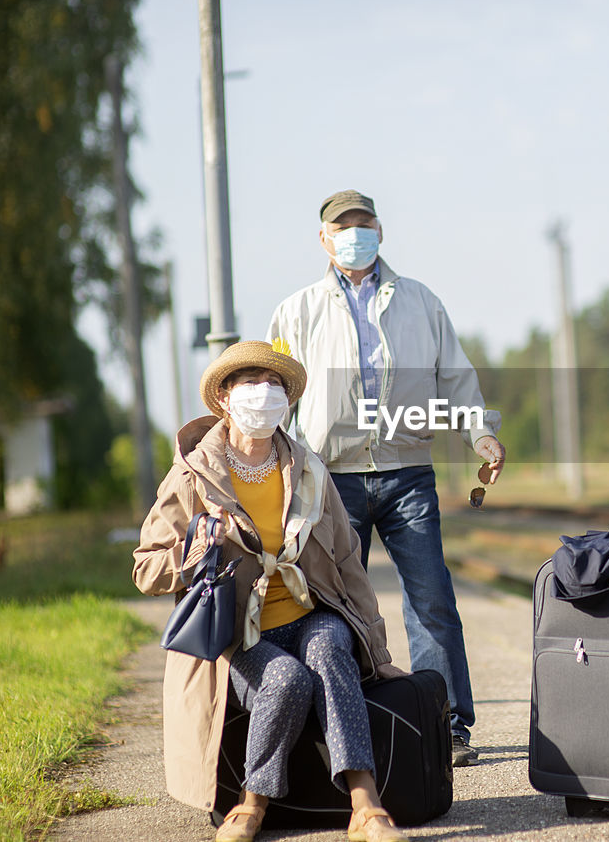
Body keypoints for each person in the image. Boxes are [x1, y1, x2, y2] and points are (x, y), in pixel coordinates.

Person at [134, 340, 410, 842]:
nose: (264, 393)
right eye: (250, 383)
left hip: (311, 613)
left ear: (288, 401)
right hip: (238, 635)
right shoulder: (192, 475)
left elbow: (349, 565)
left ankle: (365, 805)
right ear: (223, 397)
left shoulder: (309, 470)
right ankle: (251, 804)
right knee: (285, 679)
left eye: (275, 385)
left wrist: (376, 643)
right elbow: (146, 569)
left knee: (329, 646)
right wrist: (194, 549)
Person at [266, 189, 505, 768]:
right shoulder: (296, 311)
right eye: (342, 227)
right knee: (333, 607)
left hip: (408, 474)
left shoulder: (420, 302)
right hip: (331, 480)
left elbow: (457, 378)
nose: (354, 234)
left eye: (363, 223)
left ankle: (447, 726)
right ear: (323, 240)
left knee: (431, 601)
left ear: (380, 230)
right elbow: (276, 397)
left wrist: (481, 434)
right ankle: (343, 723)